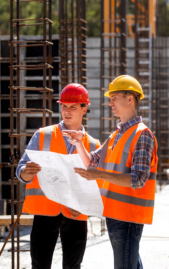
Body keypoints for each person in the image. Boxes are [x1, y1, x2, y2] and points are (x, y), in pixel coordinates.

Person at [64, 75, 158, 269]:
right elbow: (93, 163)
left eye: (114, 97)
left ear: (130, 98)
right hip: (115, 214)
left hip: (128, 216)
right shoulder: (117, 134)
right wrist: (79, 144)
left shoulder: (143, 135)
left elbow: (139, 179)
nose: (110, 103)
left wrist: (100, 175)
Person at [16, 83, 100, 269]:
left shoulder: (92, 145)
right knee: (40, 265)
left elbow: (96, 184)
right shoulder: (43, 135)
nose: (67, 111)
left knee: (73, 266)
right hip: (45, 210)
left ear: (84, 109)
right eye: (64, 106)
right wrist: (26, 173)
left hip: (76, 213)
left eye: (73, 107)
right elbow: (21, 169)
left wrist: (84, 204)